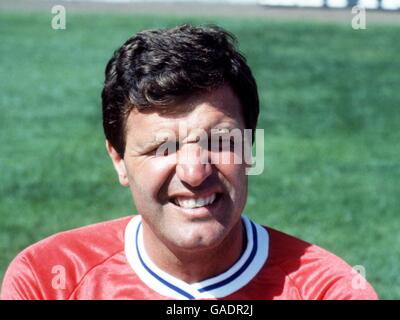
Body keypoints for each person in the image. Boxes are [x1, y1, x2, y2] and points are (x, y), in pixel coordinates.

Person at [1, 24, 378, 300]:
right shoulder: (49, 280)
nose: (195, 172)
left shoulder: (330, 291)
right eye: (163, 147)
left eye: (220, 142)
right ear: (118, 159)